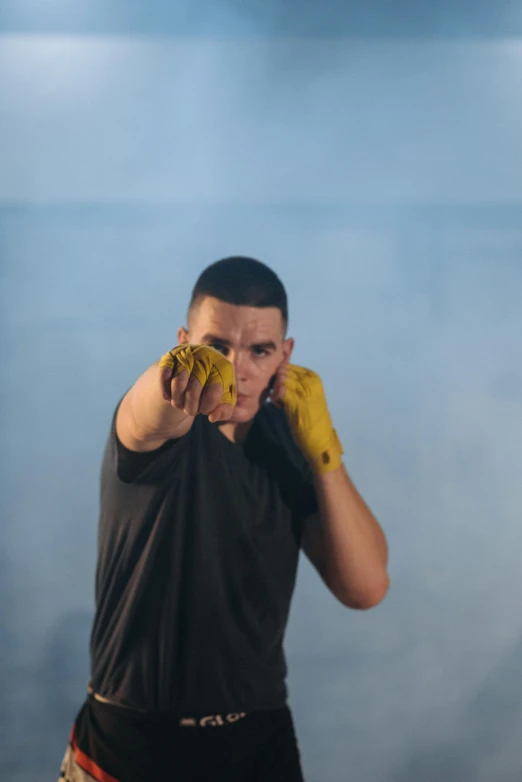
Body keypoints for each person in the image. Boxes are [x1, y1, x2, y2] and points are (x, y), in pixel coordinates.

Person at [59, 256, 389, 782]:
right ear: (184, 339)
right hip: (133, 745)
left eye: (259, 351)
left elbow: (366, 587)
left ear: (286, 356)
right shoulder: (159, 429)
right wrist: (177, 376)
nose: (236, 369)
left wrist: (325, 453)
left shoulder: (286, 440)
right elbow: (149, 406)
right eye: (216, 347)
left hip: (259, 742)